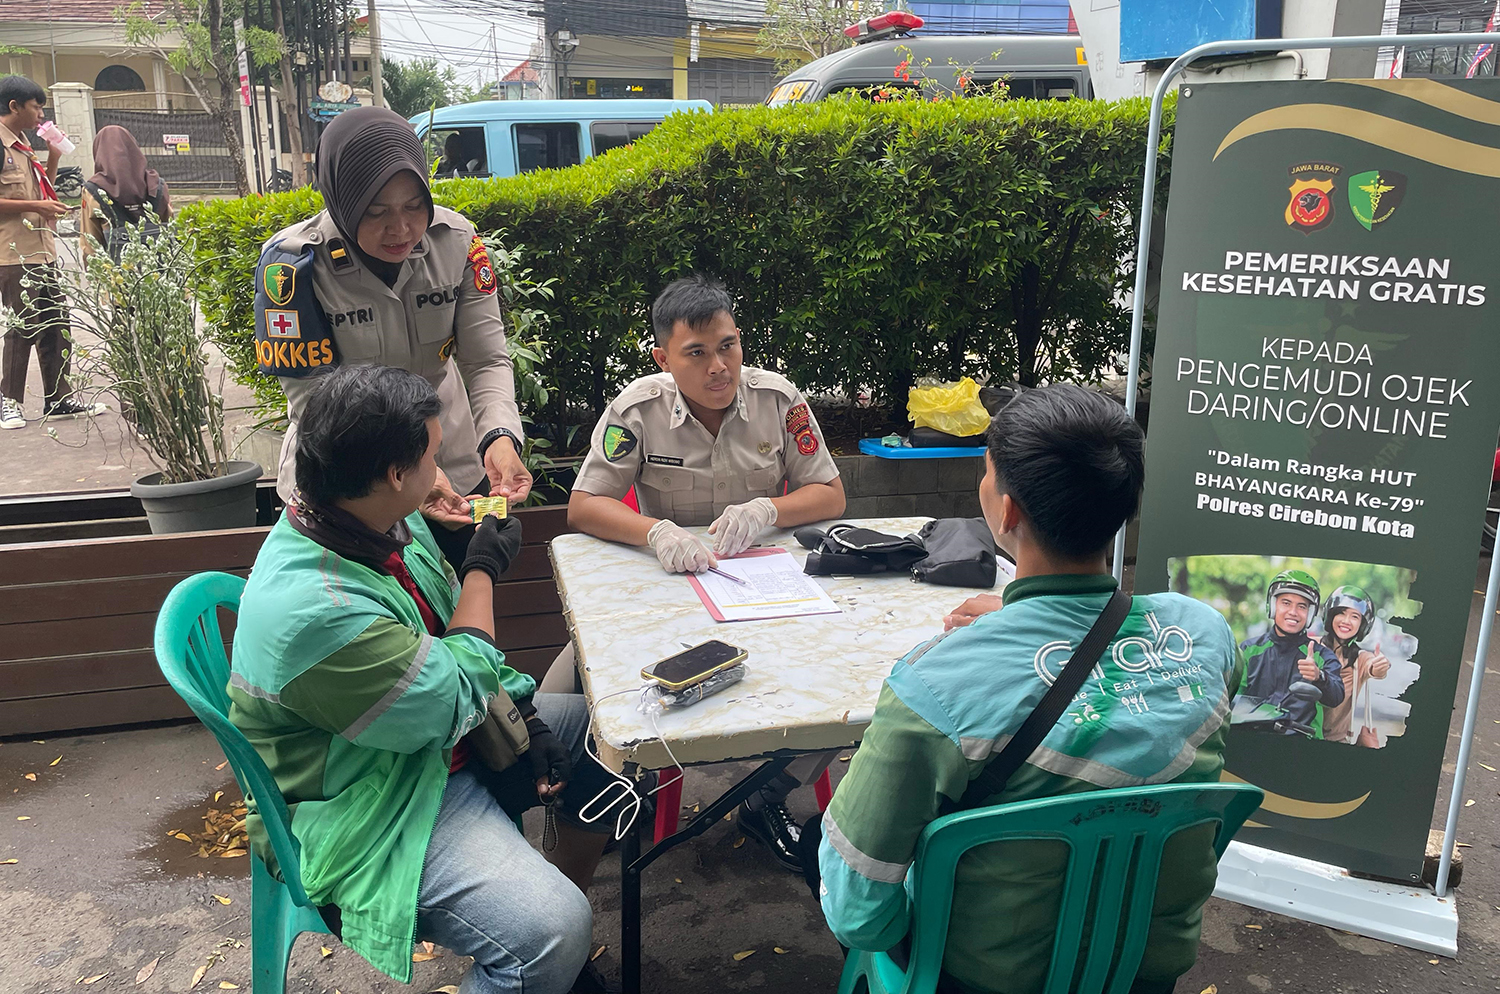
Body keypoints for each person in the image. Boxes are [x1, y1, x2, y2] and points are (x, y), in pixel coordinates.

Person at [815, 384, 1242, 994]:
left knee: (834, 849)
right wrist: (1033, 622)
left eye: (986, 473)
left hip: (980, 977)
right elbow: (1115, 693)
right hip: (1144, 972)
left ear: (1008, 512)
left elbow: (858, 914)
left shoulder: (934, 686)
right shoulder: (1206, 636)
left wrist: (1023, 629)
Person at [229, 364, 616, 994]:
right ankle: (541, 956)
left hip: (412, 749)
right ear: (393, 474)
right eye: (434, 456)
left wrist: (526, 710)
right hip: (372, 803)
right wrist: (483, 570)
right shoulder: (317, 612)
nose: (443, 471)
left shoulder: (368, 522)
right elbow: (449, 698)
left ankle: (548, 967)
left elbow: (442, 633)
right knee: (554, 930)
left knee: (615, 738)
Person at [565, 272, 846, 872]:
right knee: (572, 686)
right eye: (696, 353)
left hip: (765, 593)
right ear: (663, 358)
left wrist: (769, 509)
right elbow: (584, 505)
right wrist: (655, 532)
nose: (719, 367)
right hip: (665, 591)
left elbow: (829, 493)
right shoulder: (636, 410)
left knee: (846, 683)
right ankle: (618, 795)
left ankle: (770, 795)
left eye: (729, 346)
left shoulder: (778, 400)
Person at [252, 105, 530, 565]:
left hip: (452, 468)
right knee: (364, 604)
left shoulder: (457, 241)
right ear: (342, 202)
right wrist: (411, 469)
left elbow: (485, 360)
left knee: (465, 587)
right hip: (350, 487)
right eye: (376, 211)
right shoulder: (293, 266)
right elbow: (314, 400)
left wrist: (499, 437)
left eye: (414, 206)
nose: (401, 228)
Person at [0, 75, 104, 430]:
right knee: (22, 326)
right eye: (36, 106)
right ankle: (9, 402)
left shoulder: (23, 145)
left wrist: (54, 157)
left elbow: (40, 190)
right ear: (14, 106)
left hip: (42, 250)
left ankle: (58, 398)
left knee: (57, 324)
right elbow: (28, 201)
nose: (41, 114)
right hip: (14, 253)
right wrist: (36, 206)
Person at [1238, 569, 1345, 737]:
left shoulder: (1322, 656)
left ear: (1310, 613)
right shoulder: (1248, 650)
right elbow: (1232, 697)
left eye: (1302, 606)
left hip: (1301, 744)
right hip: (1252, 739)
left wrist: (1320, 677)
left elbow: (1336, 697)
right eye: (1286, 603)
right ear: (1273, 605)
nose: (1293, 612)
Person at [80, 124, 171, 262]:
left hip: (116, 271)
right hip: (159, 267)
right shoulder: (157, 185)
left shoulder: (94, 190)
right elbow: (170, 228)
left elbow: (90, 243)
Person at [1318, 584, 1391, 745]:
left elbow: (1375, 668)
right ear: (1331, 616)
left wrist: (1381, 665)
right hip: (1300, 733)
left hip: (1336, 741)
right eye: (1341, 613)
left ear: (1362, 625)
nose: (1346, 621)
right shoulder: (1312, 646)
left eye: (1355, 617)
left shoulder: (1360, 659)